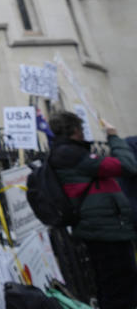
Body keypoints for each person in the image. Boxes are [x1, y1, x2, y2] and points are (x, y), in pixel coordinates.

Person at [49, 111, 137, 309]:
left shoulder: (66, 152)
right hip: (104, 230)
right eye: (81, 128)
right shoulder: (72, 154)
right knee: (120, 287)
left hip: (102, 227)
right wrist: (113, 136)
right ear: (75, 130)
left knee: (113, 285)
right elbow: (128, 165)